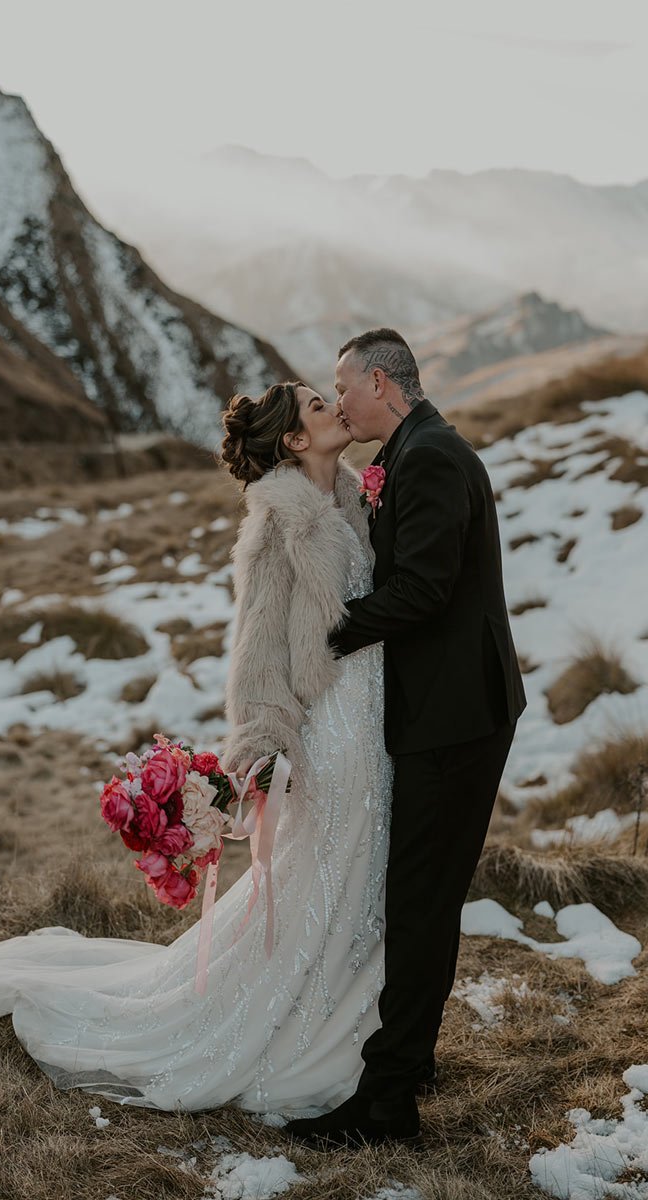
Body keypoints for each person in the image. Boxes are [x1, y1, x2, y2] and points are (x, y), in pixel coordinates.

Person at [0, 381, 395, 1118]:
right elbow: (257, 649)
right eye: (320, 405)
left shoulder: (359, 499)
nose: (336, 406)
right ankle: (295, 1030)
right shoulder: (278, 523)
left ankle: (359, 1022)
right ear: (295, 440)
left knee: (361, 876)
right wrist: (262, 741)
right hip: (327, 731)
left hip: (375, 720)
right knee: (320, 876)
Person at [285, 329, 526, 1149]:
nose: (339, 398)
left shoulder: (430, 459)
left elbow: (421, 591)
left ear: (382, 384)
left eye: (343, 384)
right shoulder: (418, 448)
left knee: (420, 904)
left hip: (456, 718)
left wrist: (321, 637)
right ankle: (409, 1061)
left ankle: (389, 1102)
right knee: (420, 899)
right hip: (448, 709)